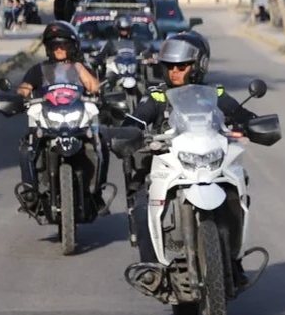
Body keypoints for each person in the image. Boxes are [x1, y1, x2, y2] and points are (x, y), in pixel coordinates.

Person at [125, 32, 259, 260]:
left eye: (182, 66)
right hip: (169, 163)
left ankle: (232, 259)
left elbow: (241, 114)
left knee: (235, 186)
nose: (174, 72)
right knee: (141, 203)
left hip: (209, 162)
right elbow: (137, 119)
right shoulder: (157, 96)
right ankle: (150, 265)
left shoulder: (215, 94)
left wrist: (251, 124)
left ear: (199, 65)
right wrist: (129, 130)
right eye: (170, 66)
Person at [15, 21, 107, 214]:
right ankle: (30, 193)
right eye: (54, 45)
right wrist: (20, 96)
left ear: (72, 46)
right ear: (48, 48)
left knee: (100, 142)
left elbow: (94, 88)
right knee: (27, 147)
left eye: (63, 44)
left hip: (75, 119)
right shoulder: (38, 70)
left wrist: (80, 68)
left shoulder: (80, 68)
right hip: (48, 120)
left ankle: (97, 192)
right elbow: (24, 88)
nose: (59, 48)